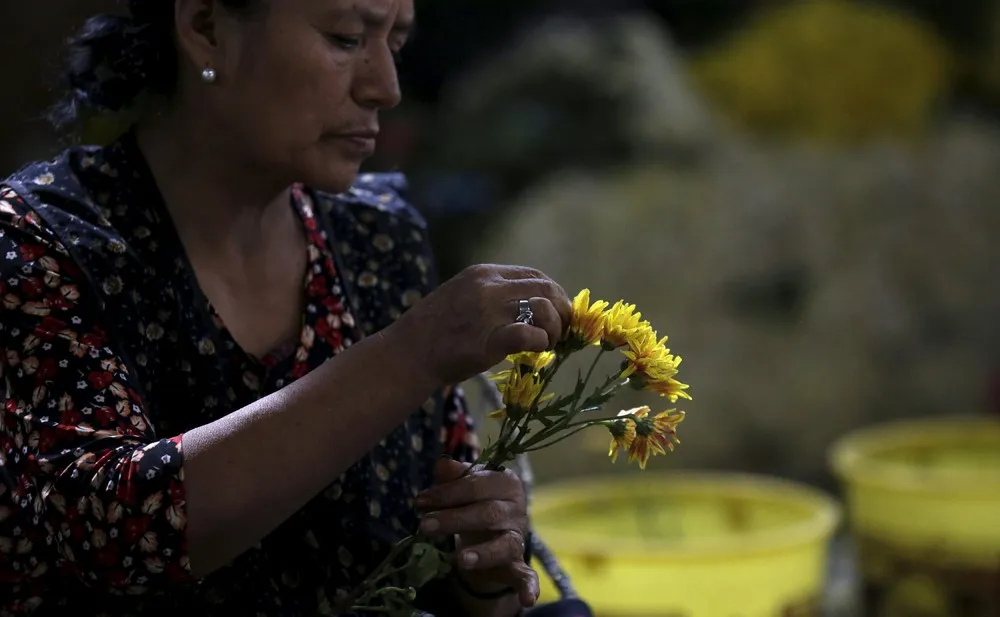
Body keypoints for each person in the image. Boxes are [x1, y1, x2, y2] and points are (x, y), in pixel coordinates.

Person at [0, 1, 583, 615]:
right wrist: (412, 353)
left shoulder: (376, 238)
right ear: (206, 29)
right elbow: (116, 534)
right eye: (346, 38)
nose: (385, 87)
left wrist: (482, 572)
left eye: (396, 45)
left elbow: (438, 555)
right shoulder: (45, 244)